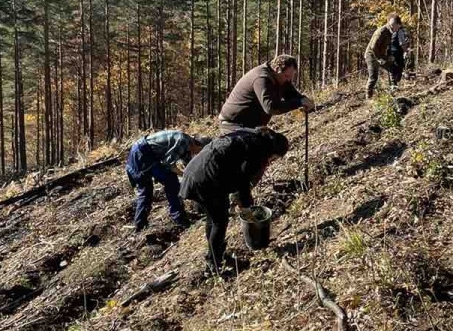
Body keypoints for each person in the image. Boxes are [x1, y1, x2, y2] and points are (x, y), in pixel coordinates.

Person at [180, 127, 290, 273]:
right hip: (205, 179)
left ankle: (215, 255)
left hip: (195, 171)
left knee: (213, 219)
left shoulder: (252, 135)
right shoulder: (258, 151)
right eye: (275, 157)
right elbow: (243, 181)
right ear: (274, 151)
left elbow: (236, 171)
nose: (273, 160)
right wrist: (246, 207)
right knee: (219, 221)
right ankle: (214, 265)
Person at [125, 129, 209, 233]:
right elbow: (169, 165)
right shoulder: (183, 142)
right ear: (198, 145)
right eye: (200, 151)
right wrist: (184, 175)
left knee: (170, 182)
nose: (199, 154)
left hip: (148, 154)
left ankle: (178, 216)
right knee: (150, 189)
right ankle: (141, 225)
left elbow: (191, 168)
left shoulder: (188, 146)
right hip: (141, 154)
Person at [218, 54, 314, 134]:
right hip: (233, 124)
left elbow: (292, 94)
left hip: (251, 126)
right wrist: (298, 102)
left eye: (290, 77)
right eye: (287, 76)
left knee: (277, 144)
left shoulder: (280, 78)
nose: (288, 80)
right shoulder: (262, 78)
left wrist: (304, 100)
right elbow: (271, 107)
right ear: (277, 69)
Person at [364, 13, 402, 100]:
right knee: (373, 77)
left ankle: (393, 90)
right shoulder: (381, 32)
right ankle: (368, 98)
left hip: (380, 55)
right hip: (371, 55)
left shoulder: (390, 32)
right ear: (392, 24)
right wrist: (379, 58)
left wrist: (389, 57)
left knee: (393, 68)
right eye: (397, 27)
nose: (397, 29)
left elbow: (386, 47)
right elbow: (374, 47)